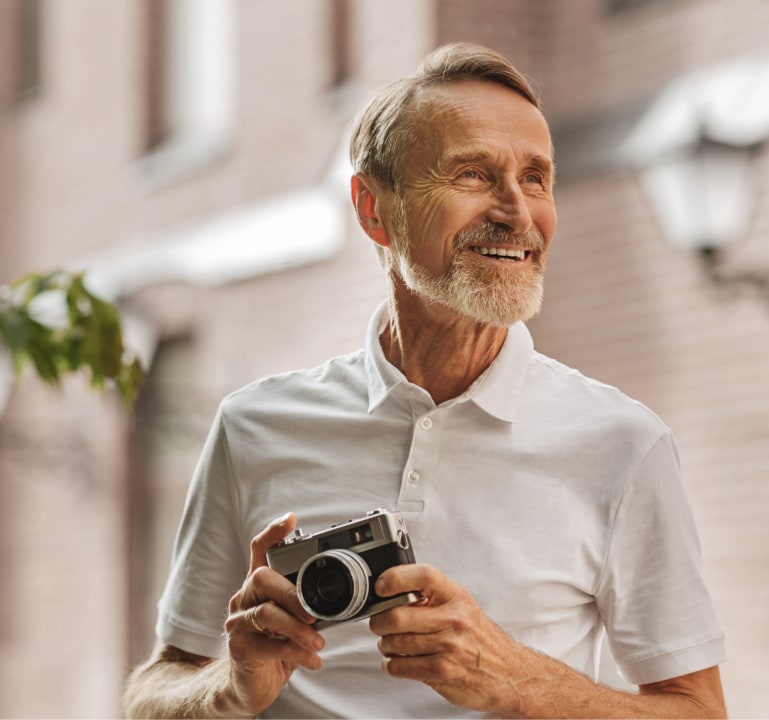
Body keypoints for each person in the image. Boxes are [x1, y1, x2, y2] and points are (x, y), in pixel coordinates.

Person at [123, 43, 727, 719]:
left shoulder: (622, 443)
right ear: (374, 208)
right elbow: (154, 692)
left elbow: (699, 712)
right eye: (472, 175)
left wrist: (515, 680)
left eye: (536, 178)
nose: (518, 214)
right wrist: (230, 689)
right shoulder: (253, 425)